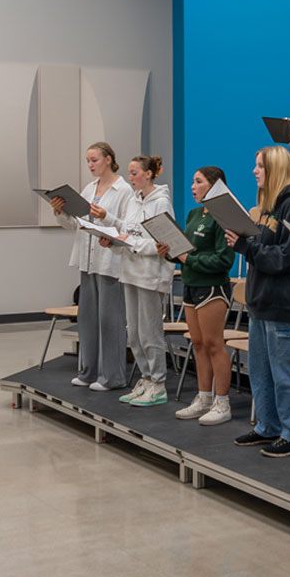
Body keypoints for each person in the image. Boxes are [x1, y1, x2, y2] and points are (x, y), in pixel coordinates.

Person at [235, 146, 290, 458]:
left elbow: (289, 257)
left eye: (260, 166)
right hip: (262, 300)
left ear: (276, 169)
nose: (254, 171)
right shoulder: (269, 206)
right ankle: (267, 426)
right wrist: (246, 243)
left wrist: (247, 248)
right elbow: (265, 247)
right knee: (262, 371)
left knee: (288, 374)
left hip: (285, 303)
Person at [48, 142, 131, 392]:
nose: (90, 165)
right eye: (88, 160)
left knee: (110, 320)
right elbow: (75, 224)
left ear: (108, 159)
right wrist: (60, 212)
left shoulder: (123, 190)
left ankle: (112, 376)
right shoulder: (89, 188)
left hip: (110, 261)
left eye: (94, 159)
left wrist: (106, 217)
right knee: (87, 319)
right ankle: (88, 371)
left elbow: (127, 228)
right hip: (87, 259)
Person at [169, 165, 235, 426]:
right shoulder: (194, 213)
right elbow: (185, 250)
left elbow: (224, 259)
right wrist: (169, 250)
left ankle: (222, 402)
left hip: (212, 287)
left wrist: (189, 258)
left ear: (214, 185)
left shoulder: (224, 216)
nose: (193, 187)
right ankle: (204, 396)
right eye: (193, 182)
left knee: (213, 344)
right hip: (190, 283)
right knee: (197, 344)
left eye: (198, 182)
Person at [116, 154, 176, 407]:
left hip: (151, 273)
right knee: (134, 333)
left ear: (149, 174)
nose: (130, 178)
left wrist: (132, 243)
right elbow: (129, 230)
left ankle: (158, 383)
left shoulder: (160, 202)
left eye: (134, 173)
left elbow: (164, 242)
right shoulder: (133, 200)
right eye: (129, 174)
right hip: (130, 271)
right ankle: (146, 378)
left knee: (150, 331)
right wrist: (114, 238)